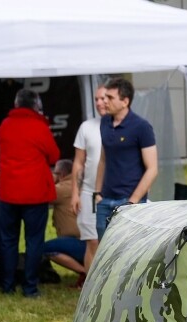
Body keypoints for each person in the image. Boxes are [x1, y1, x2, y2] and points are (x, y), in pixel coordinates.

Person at [0, 88, 60, 298]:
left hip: (8, 192)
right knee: (34, 240)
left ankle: (7, 284)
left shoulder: (5, 126)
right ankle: (30, 287)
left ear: (16, 104)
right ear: (36, 105)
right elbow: (53, 155)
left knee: (8, 240)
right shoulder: (39, 127)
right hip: (35, 193)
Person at [93, 77, 157, 241]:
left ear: (125, 101)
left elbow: (152, 169)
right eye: (104, 97)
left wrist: (132, 202)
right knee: (105, 253)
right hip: (105, 200)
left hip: (129, 201)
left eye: (110, 98)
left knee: (128, 251)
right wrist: (98, 193)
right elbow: (103, 159)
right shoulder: (105, 122)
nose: (104, 101)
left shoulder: (142, 127)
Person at [71, 84, 107, 272]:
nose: (100, 103)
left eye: (104, 98)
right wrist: (75, 193)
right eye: (96, 99)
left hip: (115, 194)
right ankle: (90, 290)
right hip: (89, 192)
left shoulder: (126, 126)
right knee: (92, 241)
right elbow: (78, 162)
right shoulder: (86, 127)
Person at [43, 159, 88, 282]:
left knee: (44, 248)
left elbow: (40, 195)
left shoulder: (62, 188)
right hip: (89, 241)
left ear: (61, 174)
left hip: (77, 242)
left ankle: (84, 272)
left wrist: (49, 180)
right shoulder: (81, 185)